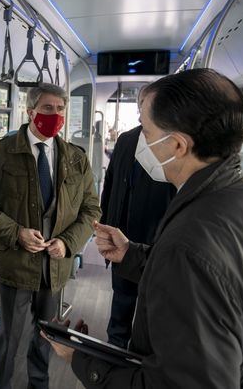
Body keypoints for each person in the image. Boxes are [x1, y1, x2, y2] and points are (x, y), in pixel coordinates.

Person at [45, 69, 243, 388]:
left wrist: (80, 358)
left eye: (148, 131)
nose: (143, 141)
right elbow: (220, 288)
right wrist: (131, 254)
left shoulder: (190, 241)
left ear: (178, 145)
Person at [0, 83, 101, 389]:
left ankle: (39, 384)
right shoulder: (1, 153)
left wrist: (69, 242)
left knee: (47, 337)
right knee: (6, 341)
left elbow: (91, 209)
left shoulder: (76, 158)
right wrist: (16, 232)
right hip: (14, 268)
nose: (56, 115)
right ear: (30, 111)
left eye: (61, 109)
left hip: (55, 269)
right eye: (48, 108)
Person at [100, 91, 175, 348]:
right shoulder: (126, 140)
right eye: (142, 104)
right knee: (121, 301)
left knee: (149, 310)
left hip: (155, 241)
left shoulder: (170, 146)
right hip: (122, 237)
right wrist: (105, 225)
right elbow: (110, 185)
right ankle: (116, 349)